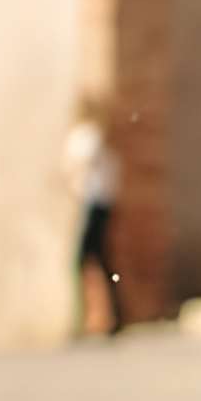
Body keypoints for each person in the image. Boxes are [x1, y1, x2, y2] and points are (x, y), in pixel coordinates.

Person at [64, 99, 122, 334]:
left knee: (86, 260)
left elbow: (78, 165)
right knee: (98, 259)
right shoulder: (92, 136)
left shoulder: (87, 137)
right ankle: (103, 316)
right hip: (96, 202)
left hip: (94, 203)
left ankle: (91, 318)